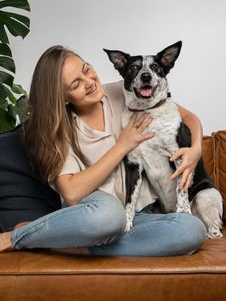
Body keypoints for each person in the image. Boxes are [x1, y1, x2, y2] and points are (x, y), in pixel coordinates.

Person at [0, 45, 206, 256]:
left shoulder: (124, 90)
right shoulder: (58, 129)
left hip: (138, 213)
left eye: (86, 69)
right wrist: (123, 145)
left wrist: (196, 148)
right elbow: (71, 193)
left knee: (192, 229)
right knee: (109, 215)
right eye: (76, 84)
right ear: (62, 97)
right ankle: (19, 235)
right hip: (96, 211)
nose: (89, 82)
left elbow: (187, 117)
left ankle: (79, 248)